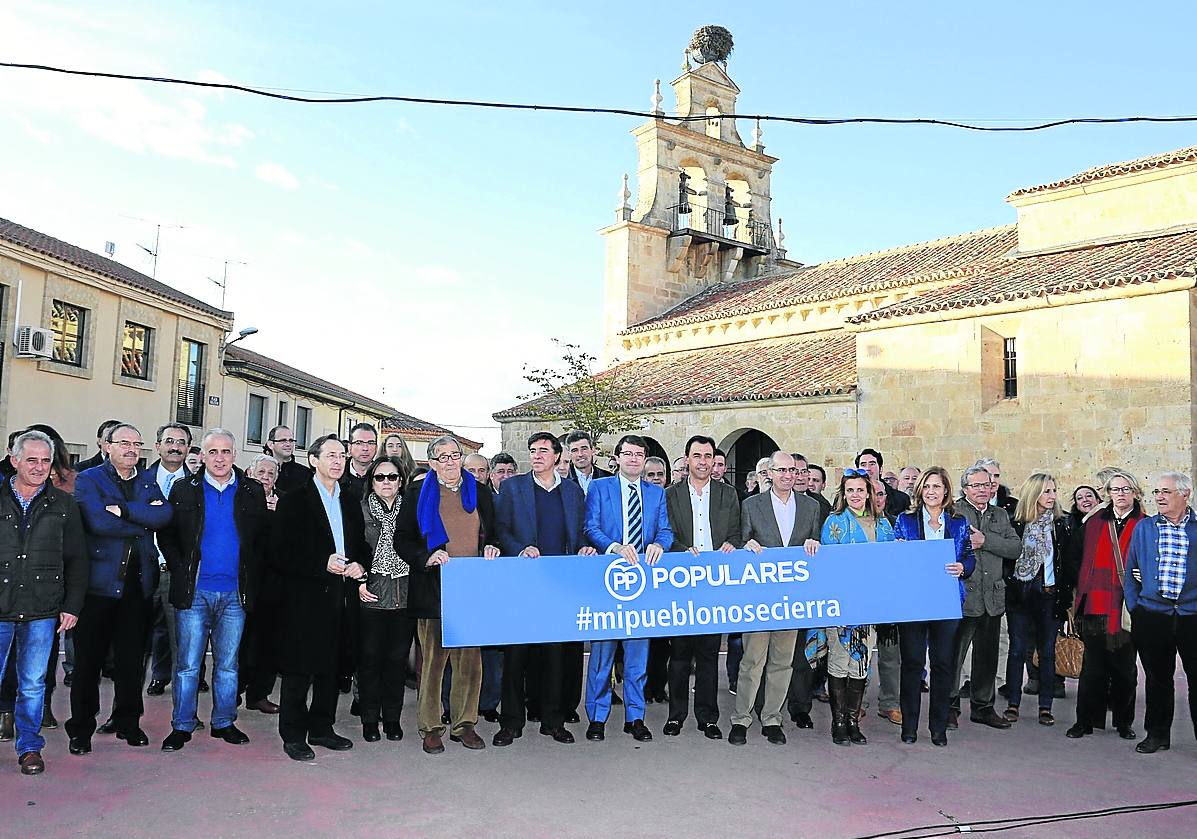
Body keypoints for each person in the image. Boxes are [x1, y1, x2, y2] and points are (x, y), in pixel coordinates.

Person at [158, 429, 268, 752]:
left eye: (226, 452)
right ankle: (181, 724)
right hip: (195, 592)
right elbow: (167, 535)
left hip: (235, 593)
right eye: (213, 452)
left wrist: (253, 576)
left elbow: (261, 539)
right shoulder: (184, 490)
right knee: (188, 665)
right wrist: (180, 569)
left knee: (228, 663)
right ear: (202, 456)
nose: (220, 458)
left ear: (235, 456)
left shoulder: (252, 491)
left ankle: (224, 722)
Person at [66, 423, 172, 756]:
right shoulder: (89, 478)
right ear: (106, 446)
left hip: (137, 587)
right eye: (123, 443)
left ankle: (128, 722)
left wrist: (126, 511)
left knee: (131, 661)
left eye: (136, 444)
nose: (131, 449)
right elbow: (97, 522)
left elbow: (164, 516)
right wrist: (142, 521)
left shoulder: (145, 479)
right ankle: (81, 728)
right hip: (98, 587)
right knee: (88, 663)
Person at [396, 434, 498, 755]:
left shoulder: (479, 492)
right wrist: (426, 557)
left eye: (454, 455)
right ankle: (430, 727)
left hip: (472, 587)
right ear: (432, 462)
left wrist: (493, 546)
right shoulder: (417, 493)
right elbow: (403, 540)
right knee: (433, 662)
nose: (450, 462)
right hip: (434, 587)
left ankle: (464, 724)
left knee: (470, 662)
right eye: (442, 457)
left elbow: (492, 533)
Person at [492, 433, 596, 747]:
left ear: (556, 456)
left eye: (542, 451)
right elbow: (500, 530)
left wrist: (584, 549)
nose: (536, 456)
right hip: (523, 585)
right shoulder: (513, 488)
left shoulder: (572, 492)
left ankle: (553, 721)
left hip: (559, 585)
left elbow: (579, 533)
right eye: (532, 451)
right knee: (516, 655)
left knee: (555, 656)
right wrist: (520, 548)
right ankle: (511, 723)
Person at [274, 435, 369, 762]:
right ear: (313, 460)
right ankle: (293, 734)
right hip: (303, 598)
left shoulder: (350, 500)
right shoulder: (295, 499)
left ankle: (322, 728)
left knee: (331, 667)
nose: (338, 461)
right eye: (330, 455)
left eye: (342, 455)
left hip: (340, 598)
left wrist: (360, 563)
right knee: (299, 669)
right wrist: (320, 563)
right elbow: (280, 554)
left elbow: (361, 546)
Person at [0, 431, 87, 774]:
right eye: (31, 459)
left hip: (43, 609)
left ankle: (29, 747)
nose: (38, 467)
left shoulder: (64, 505)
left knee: (33, 683)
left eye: (45, 461)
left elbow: (78, 559)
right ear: (14, 461)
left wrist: (72, 605)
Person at [582, 434, 673, 743]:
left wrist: (660, 543)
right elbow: (590, 527)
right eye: (628, 454)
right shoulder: (599, 487)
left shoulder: (655, 493)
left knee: (637, 656)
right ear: (617, 458)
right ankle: (597, 717)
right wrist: (615, 547)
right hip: (608, 580)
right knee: (602, 655)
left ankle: (635, 717)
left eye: (639, 455)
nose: (634, 459)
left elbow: (665, 530)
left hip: (642, 584)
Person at [731, 451, 820, 747]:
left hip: (792, 599)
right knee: (752, 660)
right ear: (768, 473)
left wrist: (813, 543)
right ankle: (741, 718)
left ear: (797, 474)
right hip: (758, 597)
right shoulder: (751, 505)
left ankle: (771, 718)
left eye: (792, 470)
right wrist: (747, 545)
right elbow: (740, 541)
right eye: (780, 470)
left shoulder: (810, 507)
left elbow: (817, 546)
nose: (787, 475)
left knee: (782, 662)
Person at [663, 435, 740, 740]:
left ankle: (708, 717)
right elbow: (664, 533)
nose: (703, 461)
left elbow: (736, 532)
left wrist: (731, 545)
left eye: (708, 456)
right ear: (687, 459)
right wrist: (682, 549)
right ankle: (676, 715)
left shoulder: (728, 494)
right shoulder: (670, 495)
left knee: (709, 655)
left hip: (714, 585)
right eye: (697, 456)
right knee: (680, 655)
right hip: (681, 584)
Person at [894, 467, 974, 746]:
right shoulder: (905, 521)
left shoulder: (959, 522)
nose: (931, 491)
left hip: (946, 600)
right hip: (913, 601)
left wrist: (963, 566)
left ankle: (938, 727)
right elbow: (894, 557)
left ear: (946, 491)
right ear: (920, 491)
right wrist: (899, 550)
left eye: (936, 486)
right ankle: (909, 726)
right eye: (926, 486)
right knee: (913, 663)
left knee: (943, 664)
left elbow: (969, 556)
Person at [815, 469, 895, 746]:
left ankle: (852, 720)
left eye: (860, 490)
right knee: (840, 661)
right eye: (850, 490)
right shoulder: (834, 522)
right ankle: (838, 722)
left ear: (869, 493)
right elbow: (826, 566)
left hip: (871, 605)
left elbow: (892, 566)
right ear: (843, 493)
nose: (855, 495)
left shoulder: (884, 525)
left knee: (861, 663)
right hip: (841, 604)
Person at [1065, 469, 1145, 740]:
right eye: (1114, 489)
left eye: (1125, 489)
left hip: (1126, 608)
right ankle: (1085, 721)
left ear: (1135, 492)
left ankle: (1124, 722)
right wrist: (1081, 587)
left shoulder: (1145, 524)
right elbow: (1074, 557)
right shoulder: (1095, 521)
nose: (1120, 494)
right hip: (1095, 604)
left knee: (1125, 670)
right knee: (1092, 668)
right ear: (1108, 494)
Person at [1124, 471, 1197, 755]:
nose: (1159, 497)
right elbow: (1130, 570)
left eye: (1165, 492)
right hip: (1153, 615)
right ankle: (1157, 735)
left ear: (1185, 494)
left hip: (1192, 616)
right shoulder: (1145, 528)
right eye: (1156, 492)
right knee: (1157, 678)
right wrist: (1136, 607)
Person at [949, 465, 1022, 732]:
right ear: (965, 488)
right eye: (976, 485)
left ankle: (983, 706)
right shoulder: (954, 513)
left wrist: (985, 540)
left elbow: (1015, 548)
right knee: (954, 656)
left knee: (987, 657)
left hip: (992, 598)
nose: (982, 490)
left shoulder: (1000, 515)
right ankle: (949, 707)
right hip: (963, 598)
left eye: (986, 485)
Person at [355, 455, 415, 744]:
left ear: (400, 481)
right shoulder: (361, 510)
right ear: (372, 482)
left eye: (392, 477)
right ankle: (369, 719)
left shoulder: (411, 511)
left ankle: (392, 718)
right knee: (370, 661)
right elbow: (353, 547)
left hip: (404, 594)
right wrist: (357, 580)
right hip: (371, 592)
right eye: (380, 477)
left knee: (396, 662)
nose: (386, 482)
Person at [1004, 473, 1072, 727]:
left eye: (1054, 490)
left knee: (1047, 651)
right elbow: (1009, 558)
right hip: (1020, 592)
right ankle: (1013, 702)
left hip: (1049, 594)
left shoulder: (1062, 523)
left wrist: (1066, 597)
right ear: (1033, 493)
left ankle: (1046, 705)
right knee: (1017, 649)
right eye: (1046, 491)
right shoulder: (1017, 523)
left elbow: (1068, 561)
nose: (1051, 496)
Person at [145, 424, 193, 699]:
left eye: (181, 442)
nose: (175, 446)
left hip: (177, 571)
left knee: (181, 640)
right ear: (158, 445)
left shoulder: (196, 485)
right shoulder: (140, 479)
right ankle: (125, 712)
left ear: (188, 448)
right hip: (141, 569)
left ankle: (183, 708)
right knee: (137, 639)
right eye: (169, 441)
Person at [242, 454, 282, 714]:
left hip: (274, 584)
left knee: (268, 642)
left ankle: (259, 694)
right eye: (261, 472)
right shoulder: (239, 500)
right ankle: (231, 695)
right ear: (249, 473)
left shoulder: (283, 503)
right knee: (240, 643)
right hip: (244, 582)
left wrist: (277, 515)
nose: (265, 478)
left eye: (270, 474)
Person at [855, 448, 910, 518]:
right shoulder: (849, 498)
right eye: (863, 464)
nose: (867, 468)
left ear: (881, 469)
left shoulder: (901, 499)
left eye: (872, 464)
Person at [265, 426, 312, 497]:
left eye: (291, 440)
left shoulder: (306, 474)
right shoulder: (259, 470)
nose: (288, 444)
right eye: (283, 440)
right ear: (271, 444)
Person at [565, 430, 612, 497]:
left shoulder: (608, 478)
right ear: (569, 454)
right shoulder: (561, 481)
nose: (580, 454)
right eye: (575, 450)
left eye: (584, 449)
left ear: (593, 450)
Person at [342, 423, 379, 499]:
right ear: (349, 447)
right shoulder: (337, 475)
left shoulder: (385, 478)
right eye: (359, 443)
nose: (365, 448)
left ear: (376, 448)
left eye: (370, 443)